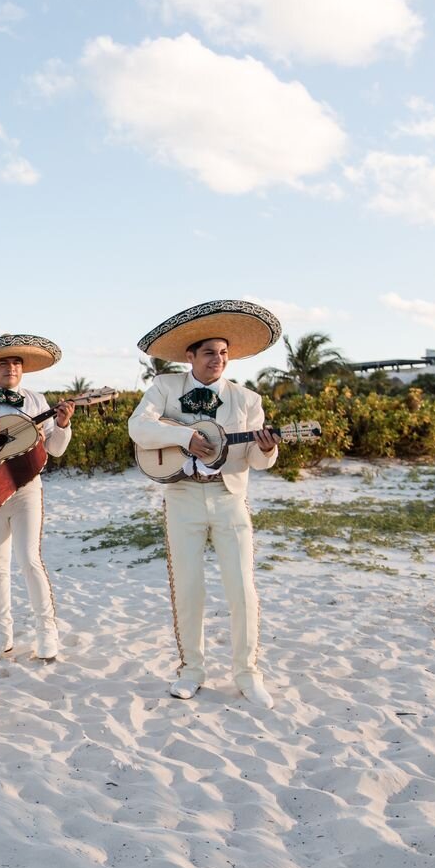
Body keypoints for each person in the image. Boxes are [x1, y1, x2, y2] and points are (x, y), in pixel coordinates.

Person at [127, 300, 282, 708]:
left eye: (224, 352)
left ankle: (247, 674)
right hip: (182, 495)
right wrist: (182, 438)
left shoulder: (247, 399)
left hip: (230, 497)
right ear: (191, 356)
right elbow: (138, 427)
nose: (219, 359)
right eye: (210, 352)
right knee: (189, 587)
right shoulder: (165, 388)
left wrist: (266, 450)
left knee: (242, 589)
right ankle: (191, 670)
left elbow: (256, 460)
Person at [0, 334, 75, 662]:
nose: (11, 368)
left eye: (17, 363)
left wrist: (62, 425)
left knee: (29, 559)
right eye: (4, 363)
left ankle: (46, 630)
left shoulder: (38, 401)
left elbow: (55, 450)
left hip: (26, 488)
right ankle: (1, 633)